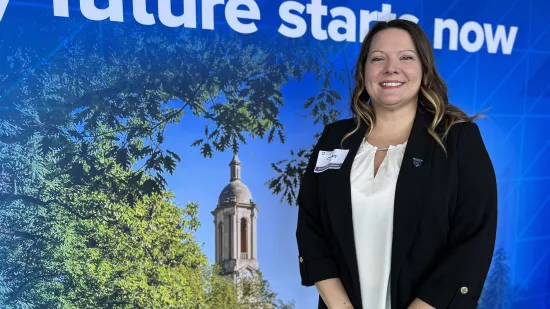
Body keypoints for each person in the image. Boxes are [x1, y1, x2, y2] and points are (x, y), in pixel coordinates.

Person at [296, 19, 497, 309]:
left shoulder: (458, 139)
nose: (391, 68)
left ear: (424, 69)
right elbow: (311, 229)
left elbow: (473, 241)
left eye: (406, 57)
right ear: (364, 72)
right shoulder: (334, 138)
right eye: (378, 58)